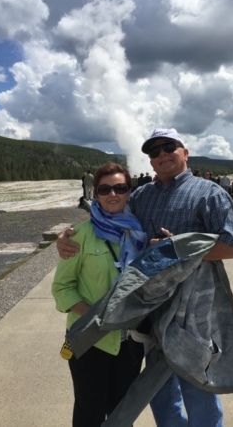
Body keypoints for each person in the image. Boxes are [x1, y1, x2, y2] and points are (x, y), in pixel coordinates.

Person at [57, 128, 233, 427]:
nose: (161, 155)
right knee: (159, 392)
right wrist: (67, 235)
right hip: (149, 312)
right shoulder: (143, 196)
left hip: (191, 310)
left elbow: (232, 248)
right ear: (151, 163)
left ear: (185, 152)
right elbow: (109, 213)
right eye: (154, 152)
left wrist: (177, 248)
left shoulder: (209, 193)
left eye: (169, 147)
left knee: (196, 385)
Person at [52, 162, 146, 427]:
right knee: (88, 410)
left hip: (130, 340)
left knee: (121, 412)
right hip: (90, 339)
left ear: (129, 191)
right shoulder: (79, 234)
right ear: (96, 193)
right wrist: (98, 315)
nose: (112, 194)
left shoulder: (139, 233)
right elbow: (62, 288)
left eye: (120, 187)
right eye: (105, 189)